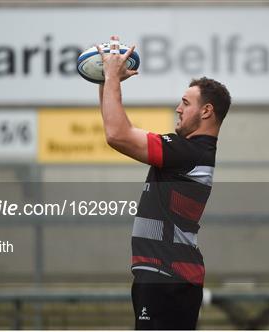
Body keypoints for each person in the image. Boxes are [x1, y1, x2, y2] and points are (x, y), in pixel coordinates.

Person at [97, 35, 231, 330]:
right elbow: (116, 128)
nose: (178, 109)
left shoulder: (187, 151)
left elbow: (117, 134)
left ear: (206, 111)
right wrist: (105, 80)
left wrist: (111, 78)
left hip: (167, 278)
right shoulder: (190, 151)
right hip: (165, 277)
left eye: (185, 103)